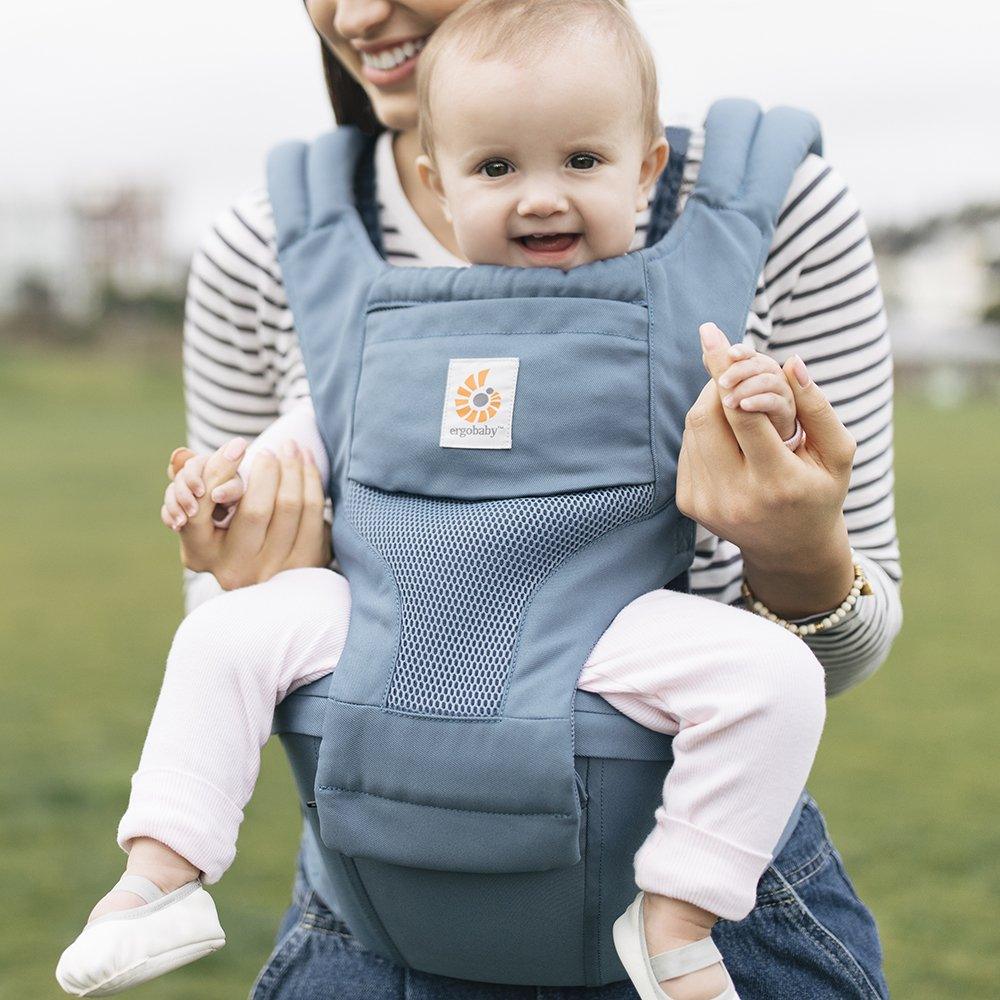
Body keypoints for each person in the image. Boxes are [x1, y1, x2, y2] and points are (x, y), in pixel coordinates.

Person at [72, 0, 903, 995]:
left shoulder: (765, 208)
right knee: (215, 644)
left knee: (771, 673)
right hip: (379, 836)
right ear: (438, 177)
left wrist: (791, 522)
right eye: (496, 168)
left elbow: (844, 639)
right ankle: (157, 876)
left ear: (642, 169)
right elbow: (300, 443)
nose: (540, 200)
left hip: (604, 638)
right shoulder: (273, 245)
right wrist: (226, 516)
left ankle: (678, 915)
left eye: (582, 164)